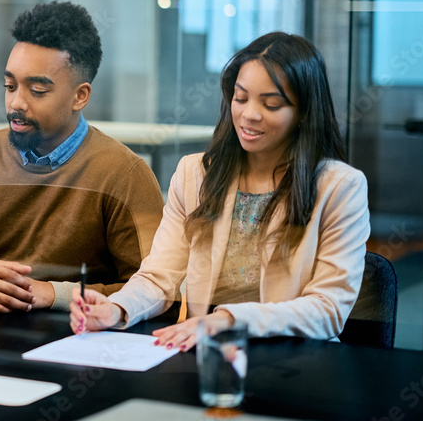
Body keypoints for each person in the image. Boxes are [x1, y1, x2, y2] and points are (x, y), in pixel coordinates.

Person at [70, 32, 370, 348]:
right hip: (204, 352)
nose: (249, 114)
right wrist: (116, 309)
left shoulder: (339, 187)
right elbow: (158, 278)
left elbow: (329, 308)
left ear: (304, 112)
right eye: (240, 99)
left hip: (296, 359)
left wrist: (227, 320)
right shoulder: (194, 174)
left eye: (271, 104)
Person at [0, 1, 164, 313]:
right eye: (10, 86)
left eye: (37, 90)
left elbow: (153, 290)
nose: (16, 103)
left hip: (78, 340)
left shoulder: (123, 173)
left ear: (80, 96)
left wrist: (54, 294)